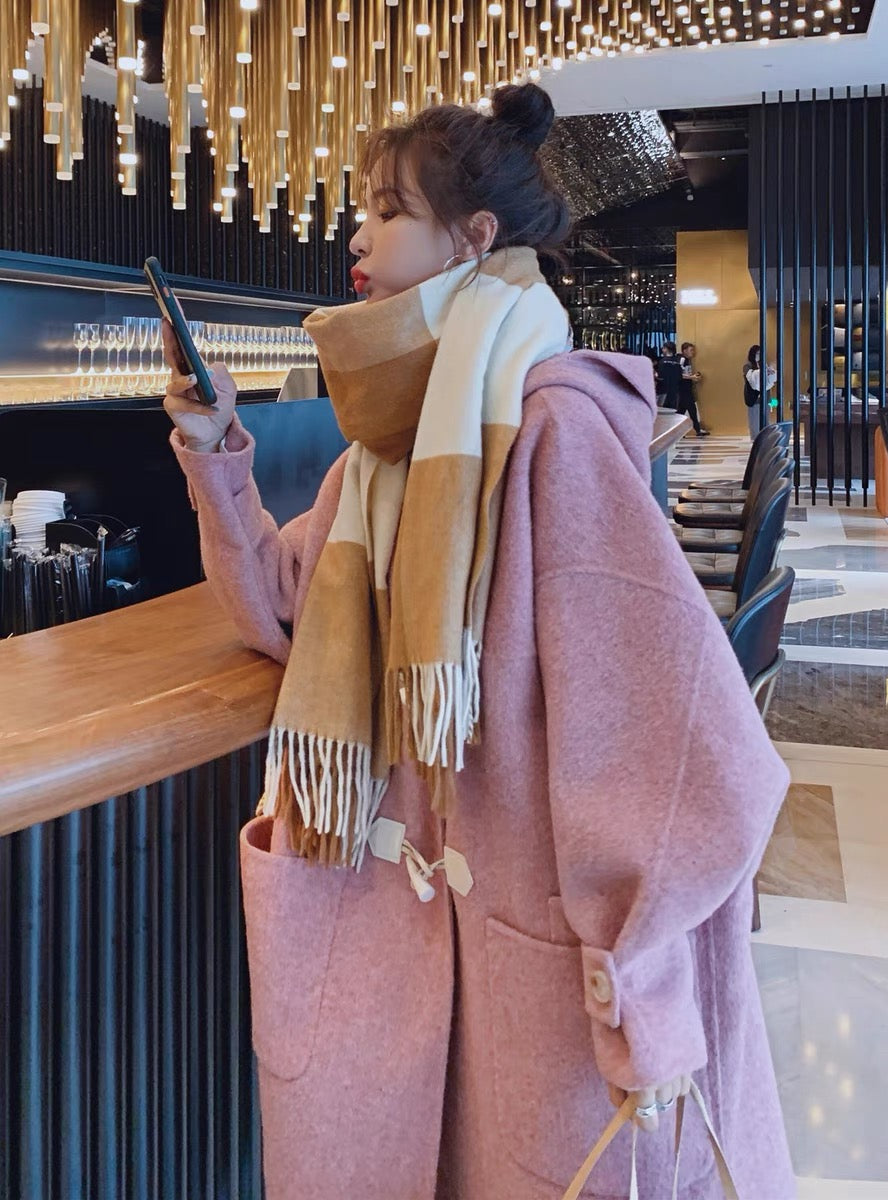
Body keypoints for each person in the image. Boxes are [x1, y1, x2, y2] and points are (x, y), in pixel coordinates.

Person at [162, 84, 793, 1200]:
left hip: (540, 982)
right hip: (409, 946)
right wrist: (217, 451)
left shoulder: (552, 427)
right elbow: (280, 604)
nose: (358, 238)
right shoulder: (383, 454)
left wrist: (636, 982)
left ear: (473, 237)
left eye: (388, 211)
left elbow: (680, 745)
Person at [743, 344, 778, 439]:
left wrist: (770, 372)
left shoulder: (764, 364)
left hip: (765, 397)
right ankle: (755, 440)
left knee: (765, 421)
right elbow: (752, 379)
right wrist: (763, 372)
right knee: (754, 421)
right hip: (754, 397)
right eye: (757, 353)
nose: (759, 355)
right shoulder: (748, 366)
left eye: (760, 353)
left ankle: (765, 439)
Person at [677, 342, 709, 435]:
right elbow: (678, 373)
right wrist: (692, 377)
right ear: (684, 351)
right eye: (691, 350)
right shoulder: (682, 359)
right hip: (683, 388)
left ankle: (678, 430)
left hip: (686, 388)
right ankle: (697, 429)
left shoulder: (687, 360)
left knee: (682, 410)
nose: (693, 352)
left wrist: (693, 377)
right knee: (691, 409)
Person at [656, 340, 682, 410]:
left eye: (663, 348)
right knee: (672, 411)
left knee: (662, 411)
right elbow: (680, 376)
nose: (662, 349)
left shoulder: (662, 361)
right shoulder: (677, 362)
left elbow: (660, 376)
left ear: (667, 349)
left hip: (663, 391)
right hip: (674, 391)